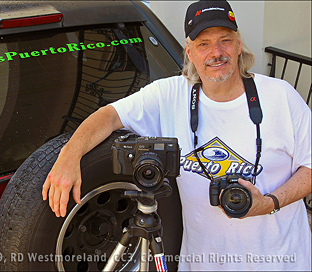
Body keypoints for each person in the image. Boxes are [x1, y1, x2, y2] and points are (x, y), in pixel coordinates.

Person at [42, 0, 312, 270]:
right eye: (203, 44)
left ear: (239, 45)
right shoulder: (169, 96)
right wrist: (70, 154)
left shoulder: (280, 96)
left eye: (225, 40)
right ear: (190, 51)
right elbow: (109, 116)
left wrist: (268, 203)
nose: (216, 52)